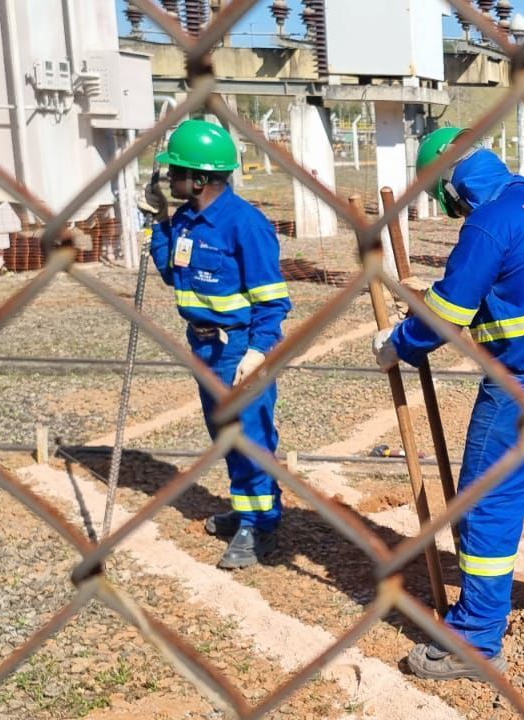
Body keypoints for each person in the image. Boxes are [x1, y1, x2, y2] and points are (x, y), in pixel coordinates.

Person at [373, 127, 524, 681]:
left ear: (450, 186)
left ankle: (476, 639)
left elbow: (448, 317)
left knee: (486, 505)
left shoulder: (485, 224)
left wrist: (399, 344)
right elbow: (521, 289)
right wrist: (432, 296)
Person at [143, 119, 292, 569]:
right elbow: (171, 273)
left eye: (176, 172)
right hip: (204, 347)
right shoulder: (186, 221)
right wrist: (159, 222)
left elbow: (273, 300)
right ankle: (248, 509)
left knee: (251, 438)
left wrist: (259, 350)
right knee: (225, 435)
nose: (169, 179)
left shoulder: (245, 225)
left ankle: (260, 525)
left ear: (200, 178)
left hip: (238, 348)